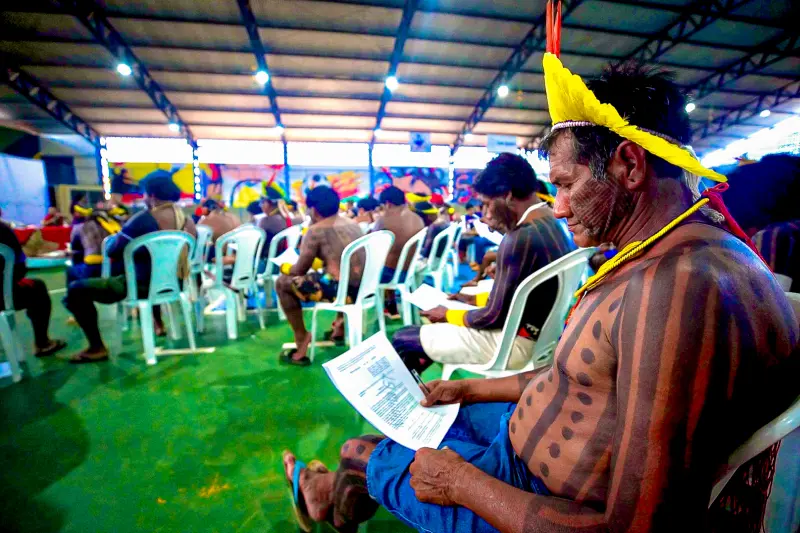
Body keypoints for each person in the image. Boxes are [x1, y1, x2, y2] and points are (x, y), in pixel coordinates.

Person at [280, 52, 800, 532]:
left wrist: (461, 482)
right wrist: (470, 388)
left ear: (630, 165)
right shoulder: (684, 253)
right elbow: (582, 374)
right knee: (390, 438)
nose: (560, 205)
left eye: (567, 184)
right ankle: (328, 493)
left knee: (358, 451)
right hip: (520, 440)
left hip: (534, 491)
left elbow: (635, 528)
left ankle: (325, 499)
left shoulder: (678, 287)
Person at [393, 153, 576, 373]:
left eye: (487, 204)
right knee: (427, 335)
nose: (486, 213)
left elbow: (493, 317)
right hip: (538, 337)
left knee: (403, 338)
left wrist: (448, 314)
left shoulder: (519, 237)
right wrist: (472, 299)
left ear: (507, 196)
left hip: (511, 344)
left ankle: (413, 393)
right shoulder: (553, 221)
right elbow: (519, 299)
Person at [64, 174, 197, 363]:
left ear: (151, 195)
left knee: (76, 289)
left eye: (144, 194)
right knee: (148, 270)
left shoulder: (142, 219)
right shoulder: (187, 221)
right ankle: (158, 322)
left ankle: (96, 347)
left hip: (140, 287)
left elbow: (112, 250)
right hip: (176, 284)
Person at [275, 186, 364, 366]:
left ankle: (301, 338)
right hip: (363, 289)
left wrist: (284, 267)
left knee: (282, 283)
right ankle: (340, 325)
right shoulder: (353, 224)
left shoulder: (316, 230)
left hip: (341, 292)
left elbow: (299, 270)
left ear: (313, 210)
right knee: (331, 274)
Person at [0, 220, 66, 358]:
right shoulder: (3, 229)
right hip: (3, 297)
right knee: (38, 288)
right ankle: (43, 343)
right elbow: (19, 269)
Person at [371, 186, 425, 316]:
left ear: (388, 204)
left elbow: (371, 245)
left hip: (390, 274)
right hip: (409, 271)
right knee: (390, 257)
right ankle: (390, 303)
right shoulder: (418, 218)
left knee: (360, 270)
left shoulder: (384, 220)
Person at [257, 189, 289, 269]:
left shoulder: (265, 221)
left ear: (269, 204)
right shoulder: (286, 218)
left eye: (262, 202)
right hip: (285, 262)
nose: (261, 206)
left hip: (269, 265)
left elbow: (256, 243)